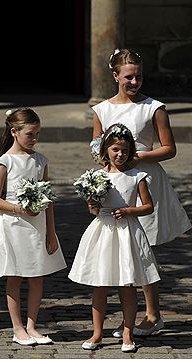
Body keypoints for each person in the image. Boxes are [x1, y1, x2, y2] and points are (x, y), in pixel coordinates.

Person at [91, 48, 192, 337]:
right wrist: (103, 169)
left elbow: (169, 148)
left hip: (146, 181)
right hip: (115, 184)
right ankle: (128, 318)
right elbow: (96, 145)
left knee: (142, 247)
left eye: (138, 77)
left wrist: (140, 158)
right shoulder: (102, 109)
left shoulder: (153, 107)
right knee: (121, 247)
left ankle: (152, 314)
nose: (134, 82)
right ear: (115, 76)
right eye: (128, 77)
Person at [0, 108, 67, 346]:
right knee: (15, 276)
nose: (35, 139)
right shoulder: (4, 162)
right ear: (14, 132)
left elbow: (48, 200)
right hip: (14, 225)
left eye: (37, 134)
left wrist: (51, 232)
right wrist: (19, 209)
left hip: (37, 226)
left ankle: (32, 325)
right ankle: (17, 328)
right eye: (30, 134)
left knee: (37, 276)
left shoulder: (41, 161)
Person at [69, 123, 160, 353]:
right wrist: (92, 206)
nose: (120, 155)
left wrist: (130, 211)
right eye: (115, 150)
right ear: (105, 150)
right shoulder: (96, 177)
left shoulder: (136, 176)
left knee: (127, 285)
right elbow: (95, 209)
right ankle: (97, 332)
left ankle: (128, 332)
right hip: (103, 232)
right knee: (100, 284)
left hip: (127, 232)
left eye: (125, 151)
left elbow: (148, 207)